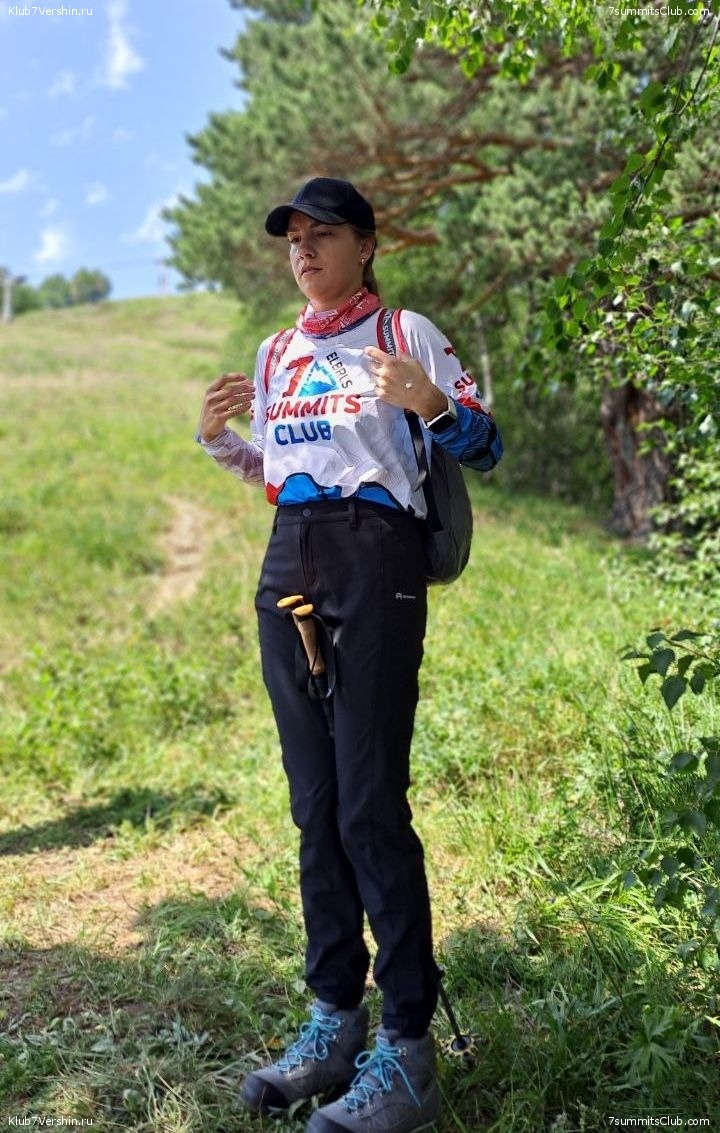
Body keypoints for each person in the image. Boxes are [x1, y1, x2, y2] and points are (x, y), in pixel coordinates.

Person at [197, 177, 503, 1133]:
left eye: (321, 233)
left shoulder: (405, 334)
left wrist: (431, 404)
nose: (303, 249)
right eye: (292, 236)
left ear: (366, 244)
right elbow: (280, 473)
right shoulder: (276, 352)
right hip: (289, 557)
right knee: (316, 805)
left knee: (370, 803)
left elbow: (486, 445)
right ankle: (335, 1020)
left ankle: (407, 1052)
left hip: (378, 560)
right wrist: (219, 442)